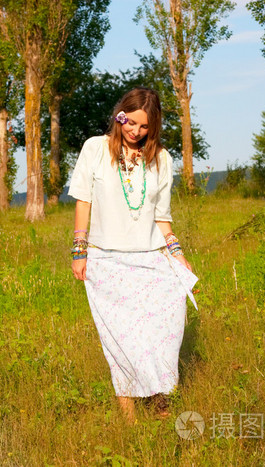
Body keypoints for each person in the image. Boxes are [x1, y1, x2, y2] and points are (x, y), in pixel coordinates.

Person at [68, 87, 198, 423]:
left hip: (152, 259)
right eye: (131, 123)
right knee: (121, 340)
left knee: (160, 337)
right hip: (107, 262)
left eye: (144, 128)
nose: (135, 132)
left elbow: (162, 216)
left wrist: (178, 255)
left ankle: (160, 401)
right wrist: (79, 250)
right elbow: (84, 200)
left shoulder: (162, 159)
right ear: (120, 115)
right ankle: (128, 417)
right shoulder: (95, 149)